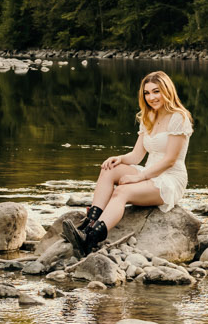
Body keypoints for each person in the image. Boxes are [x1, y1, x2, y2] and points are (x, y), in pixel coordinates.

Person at [62, 70, 193, 254]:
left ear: (167, 91)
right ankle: (89, 224)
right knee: (109, 169)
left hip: (169, 180)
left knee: (122, 191)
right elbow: (137, 155)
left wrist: (138, 178)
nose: (151, 97)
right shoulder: (148, 116)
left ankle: (90, 239)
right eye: (147, 93)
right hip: (149, 174)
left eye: (156, 91)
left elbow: (170, 160)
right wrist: (119, 159)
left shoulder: (179, 117)